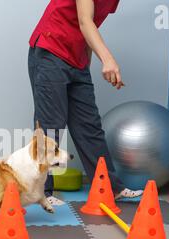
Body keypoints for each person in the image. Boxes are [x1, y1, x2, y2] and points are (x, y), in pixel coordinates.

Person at [28, 0, 143, 205]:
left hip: (77, 60)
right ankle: (41, 192)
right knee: (50, 125)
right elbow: (84, 21)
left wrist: (84, 67)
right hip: (51, 50)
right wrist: (108, 59)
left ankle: (109, 187)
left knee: (89, 127)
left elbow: (91, 26)